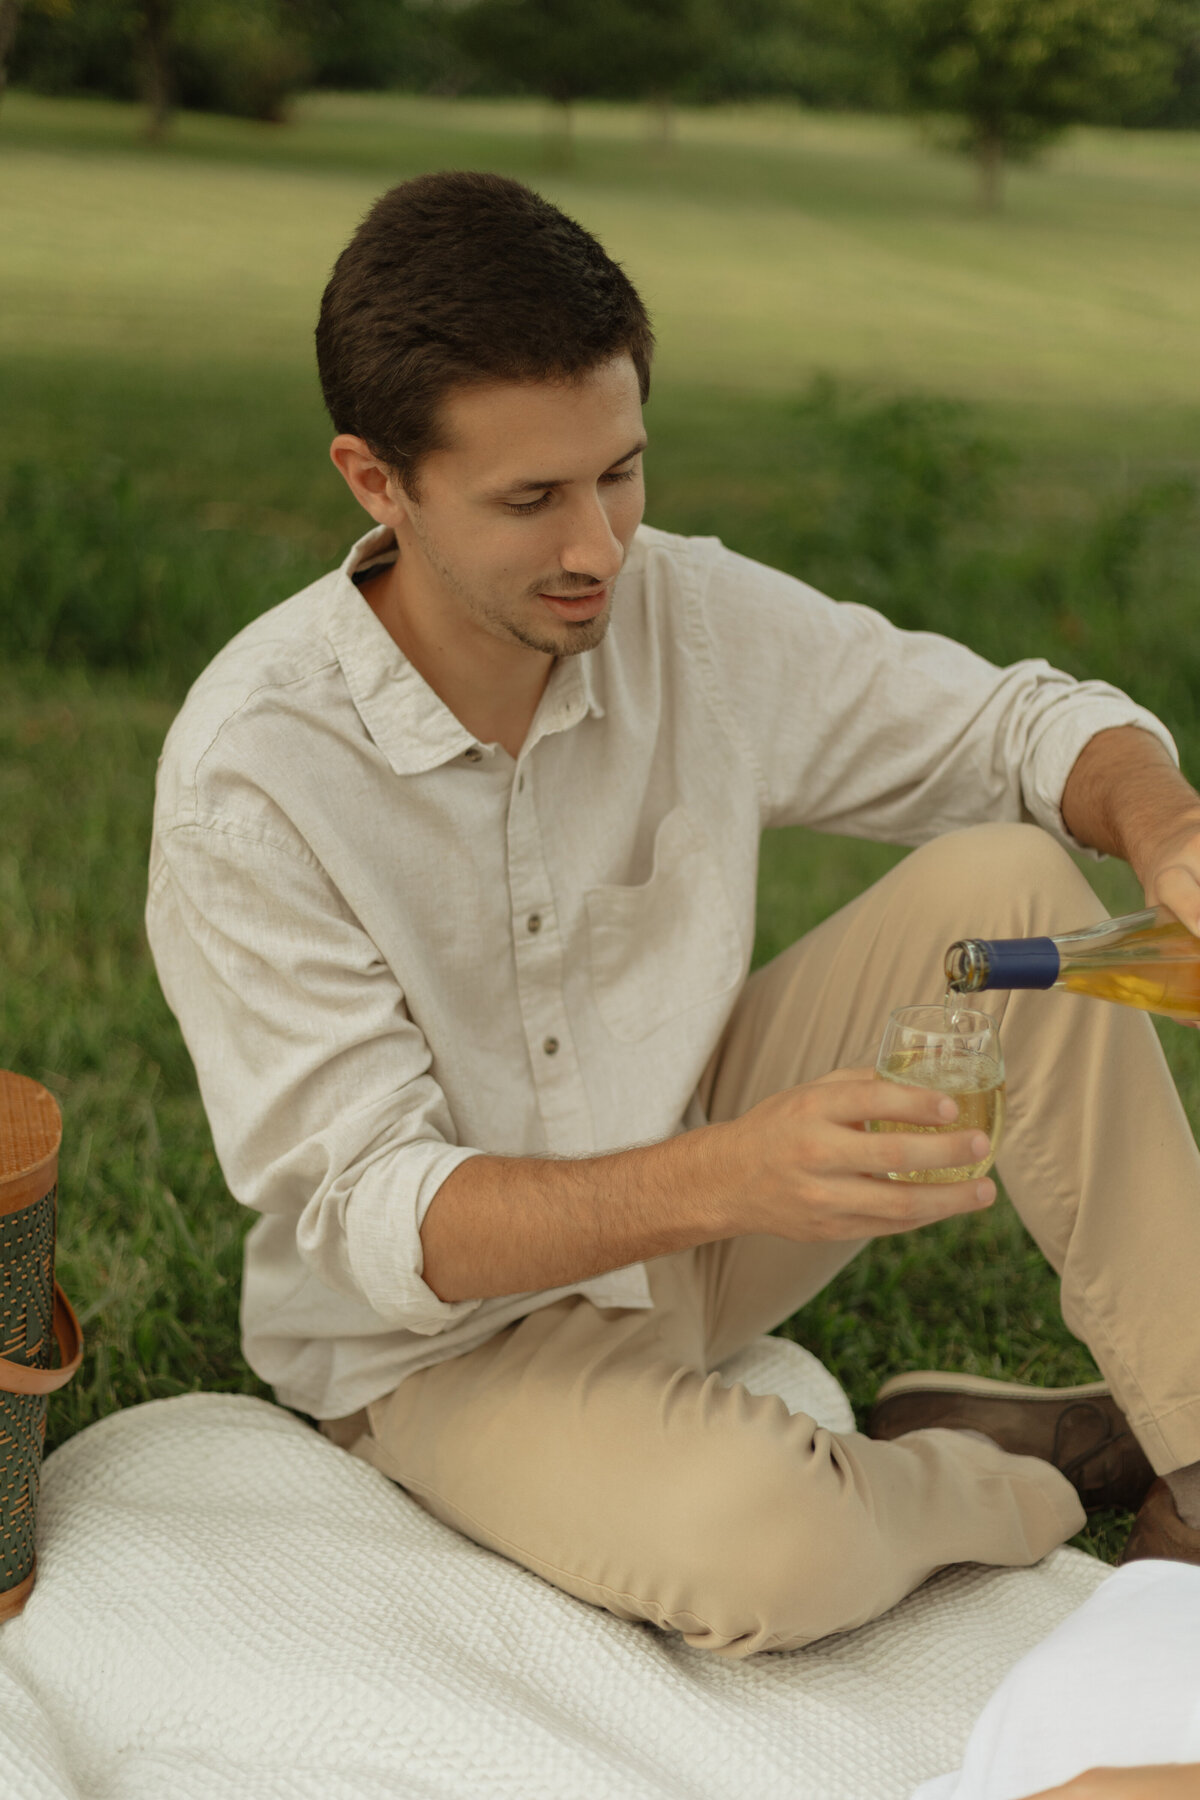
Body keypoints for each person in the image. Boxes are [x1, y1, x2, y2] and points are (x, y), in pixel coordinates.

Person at [146, 170, 1200, 1659]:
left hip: (705, 1218)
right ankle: (1007, 1474)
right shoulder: (252, 779)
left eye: (622, 473)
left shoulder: (679, 612)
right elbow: (380, 1219)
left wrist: (1168, 829)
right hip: (441, 1349)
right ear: (376, 481)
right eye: (531, 500)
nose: (599, 546)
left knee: (1009, 890)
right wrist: (732, 1175)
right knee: (768, 1548)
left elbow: (1021, 728)